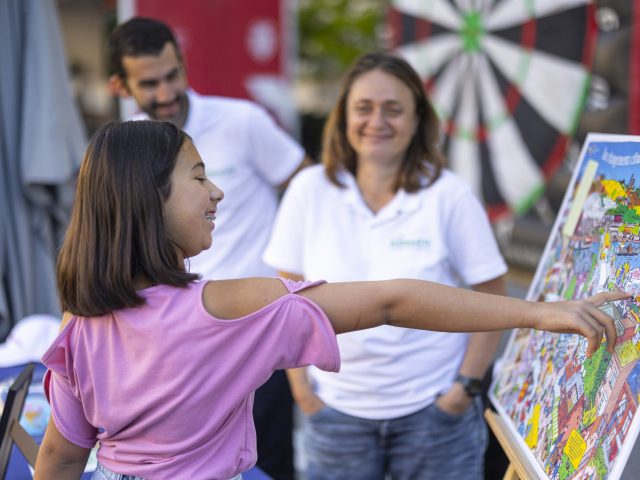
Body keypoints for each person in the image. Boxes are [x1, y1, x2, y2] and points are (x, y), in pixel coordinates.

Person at [32, 120, 626, 480]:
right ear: (148, 198)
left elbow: (61, 458)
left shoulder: (80, 322)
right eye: (197, 176)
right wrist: (541, 313)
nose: (217, 191)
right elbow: (393, 301)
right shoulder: (231, 308)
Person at [262, 50, 507, 479]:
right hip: (334, 415)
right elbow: (285, 300)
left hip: (435, 417)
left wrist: (463, 390)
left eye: (394, 109)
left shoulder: (449, 195)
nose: (377, 121)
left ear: (417, 121)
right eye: (364, 108)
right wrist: (303, 391)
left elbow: (492, 297)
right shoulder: (308, 190)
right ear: (343, 118)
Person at [107, 17, 311, 479]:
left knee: (266, 462)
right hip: (173, 343)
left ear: (182, 64)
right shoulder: (125, 152)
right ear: (118, 85)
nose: (165, 93)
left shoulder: (242, 121)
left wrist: (292, 269)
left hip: (256, 327)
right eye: (149, 83)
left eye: (172, 75)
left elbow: (309, 187)